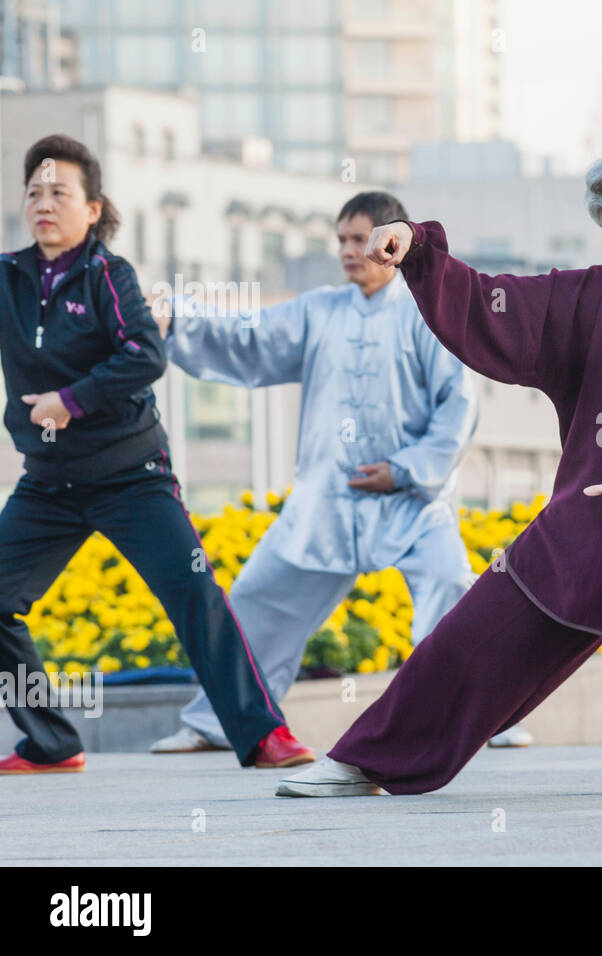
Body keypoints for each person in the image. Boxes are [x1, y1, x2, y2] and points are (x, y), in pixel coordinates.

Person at [277, 120, 602, 797]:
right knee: (478, 627)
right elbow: (491, 304)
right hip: (592, 513)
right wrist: (419, 253)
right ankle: (366, 762)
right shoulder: (583, 297)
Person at [147, 191, 532, 754]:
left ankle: (489, 718)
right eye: (342, 240)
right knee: (257, 598)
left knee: (450, 586)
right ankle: (219, 721)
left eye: (361, 239)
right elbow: (248, 335)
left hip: (412, 503)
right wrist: (177, 317)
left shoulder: (428, 313)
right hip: (324, 503)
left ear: (391, 243)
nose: (350, 251)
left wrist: (404, 471)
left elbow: (458, 406)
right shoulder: (317, 310)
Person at [0, 134, 312, 773]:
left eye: (60, 191)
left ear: (93, 209)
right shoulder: (7, 277)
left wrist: (71, 399)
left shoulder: (107, 275)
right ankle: (52, 741)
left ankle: (261, 735)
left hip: (131, 477)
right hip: (50, 482)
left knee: (195, 592)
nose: (44, 202)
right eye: (34, 191)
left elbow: (145, 353)